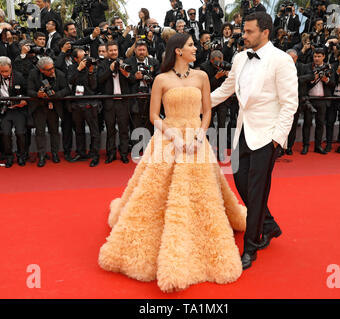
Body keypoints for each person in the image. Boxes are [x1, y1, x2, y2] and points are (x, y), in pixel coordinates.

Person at [98, 33, 247, 292]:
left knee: (203, 195)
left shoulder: (201, 76)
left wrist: (201, 133)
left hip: (197, 140)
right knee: (154, 194)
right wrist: (172, 136)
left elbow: (208, 109)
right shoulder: (161, 79)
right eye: (190, 45)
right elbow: (154, 115)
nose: (195, 48)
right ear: (177, 50)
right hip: (169, 138)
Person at [210, 11, 298, 269]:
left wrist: (277, 139)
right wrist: (199, 102)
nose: (243, 35)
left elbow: (289, 103)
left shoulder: (281, 61)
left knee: (258, 190)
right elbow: (226, 90)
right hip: (243, 132)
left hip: (266, 136)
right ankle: (269, 225)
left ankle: (252, 245)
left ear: (265, 32)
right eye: (243, 30)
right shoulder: (239, 58)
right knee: (240, 181)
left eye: (249, 31)